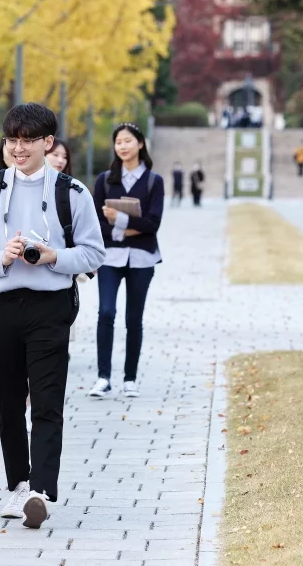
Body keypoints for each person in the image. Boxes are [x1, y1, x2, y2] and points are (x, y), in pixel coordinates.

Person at [0, 103, 105, 528]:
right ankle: (16, 485)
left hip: (50, 307)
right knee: (7, 402)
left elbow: (94, 252)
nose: (19, 150)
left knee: (46, 399)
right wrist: (0, 258)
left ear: (48, 143)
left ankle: (40, 488)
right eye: (12, 141)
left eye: (28, 141)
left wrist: (55, 257)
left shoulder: (72, 193)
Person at [89, 123, 164, 400]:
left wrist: (119, 220)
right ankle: (103, 377)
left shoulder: (154, 181)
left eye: (128, 141)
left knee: (134, 318)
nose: (122, 146)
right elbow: (96, 221)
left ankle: (130, 378)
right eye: (118, 141)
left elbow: (153, 224)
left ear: (140, 144)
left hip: (142, 258)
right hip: (110, 256)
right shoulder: (104, 180)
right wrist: (132, 228)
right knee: (106, 312)